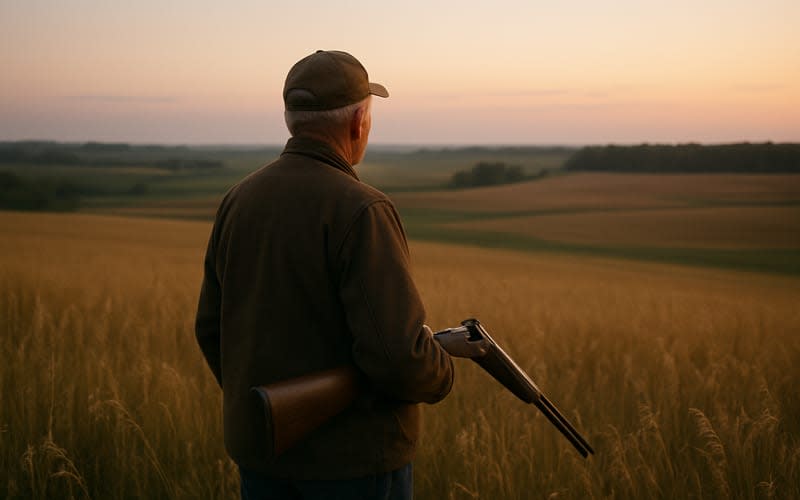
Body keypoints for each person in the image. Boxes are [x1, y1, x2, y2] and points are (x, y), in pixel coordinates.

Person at [195, 50, 454, 499]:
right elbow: (397, 358)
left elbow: (210, 328)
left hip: (262, 459)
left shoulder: (238, 200)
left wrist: (271, 412)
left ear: (291, 120)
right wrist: (442, 371)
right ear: (358, 123)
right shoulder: (362, 208)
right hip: (355, 467)